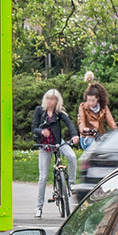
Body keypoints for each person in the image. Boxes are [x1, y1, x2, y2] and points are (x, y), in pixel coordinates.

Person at [31, 89, 77, 219]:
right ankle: (39, 208)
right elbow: (33, 127)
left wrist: (74, 135)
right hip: (44, 145)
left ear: (57, 100)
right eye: (48, 98)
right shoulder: (39, 111)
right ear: (45, 100)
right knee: (43, 177)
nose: (50, 101)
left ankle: (71, 183)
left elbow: (69, 124)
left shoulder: (59, 113)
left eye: (53, 99)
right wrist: (41, 131)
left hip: (58, 142)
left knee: (72, 156)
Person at [76, 82, 117, 150]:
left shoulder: (104, 107)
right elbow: (81, 121)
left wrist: (117, 131)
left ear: (97, 98)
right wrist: (84, 130)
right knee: (94, 147)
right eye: (88, 100)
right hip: (87, 137)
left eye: (93, 100)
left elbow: (111, 121)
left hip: (100, 136)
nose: (90, 103)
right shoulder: (82, 107)